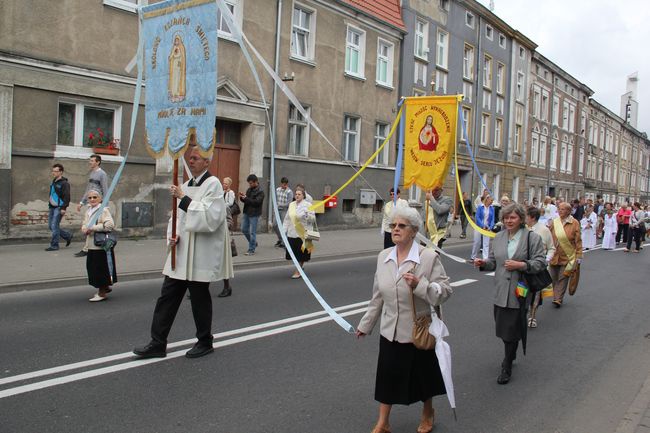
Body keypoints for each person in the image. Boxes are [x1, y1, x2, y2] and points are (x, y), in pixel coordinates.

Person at [356, 206, 452, 433]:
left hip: (418, 330)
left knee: (423, 377)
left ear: (414, 231)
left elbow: (446, 291)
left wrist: (420, 285)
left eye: (401, 226)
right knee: (387, 376)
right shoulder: (383, 257)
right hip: (390, 330)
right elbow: (377, 296)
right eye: (393, 226)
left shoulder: (428, 257)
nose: (395, 230)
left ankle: (428, 411)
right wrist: (365, 325)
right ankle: (383, 422)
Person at [133, 145, 228, 359]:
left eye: (195, 158)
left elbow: (211, 218)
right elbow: (176, 218)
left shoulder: (213, 185)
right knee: (167, 297)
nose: (191, 161)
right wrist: (172, 236)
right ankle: (157, 343)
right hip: (182, 251)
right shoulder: (184, 184)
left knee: (199, 299)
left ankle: (205, 341)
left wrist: (183, 199)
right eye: (190, 158)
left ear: (207, 162)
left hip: (200, 253)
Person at [474, 203, 546, 384]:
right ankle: (511, 352)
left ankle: (506, 365)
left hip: (520, 290)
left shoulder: (532, 238)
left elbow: (540, 262)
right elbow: (492, 262)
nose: (508, 221)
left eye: (513, 217)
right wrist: (483, 263)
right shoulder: (498, 237)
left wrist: (521, 265)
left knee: (511, 328)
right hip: (500, 290)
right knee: (503, 326)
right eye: (506, 218)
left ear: (521, 219)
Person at [82, 189, 117, 302]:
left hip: (100, 246)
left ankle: (102, 293)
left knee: (100, 269)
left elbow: (110, 225)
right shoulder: (89, 210)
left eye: (95, 197)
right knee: (93, 268)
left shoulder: (103, 210)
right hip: (91, 245)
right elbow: (84, 223)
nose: (92, 199)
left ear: (100, 199)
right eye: (90, 198)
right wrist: (84, 229)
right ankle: (105, 287)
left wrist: (92, 228)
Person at [548, 202, 583, 308]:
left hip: (568, 256)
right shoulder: (554, 222)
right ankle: (556, 294)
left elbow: (578, 240)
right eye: (559, 209)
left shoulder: (574, 223)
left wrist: (579, 255)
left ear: (568, 211)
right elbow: (549, 236)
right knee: (553, 277)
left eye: (562, 209)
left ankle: (558, 298)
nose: (560, 211)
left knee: (563, 277)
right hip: (554, 255)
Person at [75, 155, 109, 257]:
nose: (90, 162)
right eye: (90, 160)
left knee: (93, 225)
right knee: (90, 225)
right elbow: (88, 189)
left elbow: (105, 189)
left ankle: (87, 248)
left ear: (98, 162)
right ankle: (89, 247)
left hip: (98, 203)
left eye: (92, 161)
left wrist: (105, 205)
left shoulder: (102, 174)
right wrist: (82, 202)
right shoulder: (92, 173)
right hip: (91, 202)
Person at [283, 187, 316, 279]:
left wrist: (307, 215)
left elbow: (312, 219)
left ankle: (298, 271)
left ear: (303, 196)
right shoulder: (292, 205)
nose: (297, 196)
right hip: (292, 233)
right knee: (293, 254)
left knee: (301, 255)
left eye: (299, 194)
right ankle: (300, 268)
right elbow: (287, 219)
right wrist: (283, 231)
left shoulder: (308, 205)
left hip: (303, 234)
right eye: (296, 194)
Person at [45, 163, 73, 251]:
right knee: (51, 226)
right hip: (52, 207)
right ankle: (67, 235)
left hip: (59, 207)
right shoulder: (54, 181)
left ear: (61, 172)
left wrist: (64, 208)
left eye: (56, 171)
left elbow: (67, 196)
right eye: (53, 171)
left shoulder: (64, 183)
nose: (53, 173)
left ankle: (54, 245)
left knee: (54, 225)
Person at [239, 174, 265, 256]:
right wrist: (242, 197)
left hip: (254, 214)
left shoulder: (261, 192)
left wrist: (246, 198)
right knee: (243, 229)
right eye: (249, 183)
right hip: (247, 212)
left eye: (251, 183)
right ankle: (254, 243)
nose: (249, 185)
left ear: (256, 182)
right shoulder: (249, 190)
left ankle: (251, 249)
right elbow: (247, 201)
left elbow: (256, 202)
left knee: (252, 232)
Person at [471, 194, 495, 261]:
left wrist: (490, 226)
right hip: (479, 227)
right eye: (491, 200)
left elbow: (493, 219)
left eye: (492, 200)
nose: (492, 202)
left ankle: (485, 258)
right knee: (477, 242)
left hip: (487, 228)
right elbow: (477, 217)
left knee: (486, 243)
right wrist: (482, 226)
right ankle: (473, 256)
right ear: (487, 199)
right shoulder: (480, 207)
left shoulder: (492, 208)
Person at [274, 177, 294, 248]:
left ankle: (284, 242)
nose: (284, 186)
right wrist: (276, 205)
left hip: (285, 210)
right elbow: (275, 199)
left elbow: (289, 203)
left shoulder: (289, 192)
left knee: (283, 226)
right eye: (283, 184)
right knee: (275, 225)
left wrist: (280, 205)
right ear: (281, 183)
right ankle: (280, 239)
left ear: (287, 184)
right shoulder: (277, 190)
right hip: (277, 210)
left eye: (285, 184)